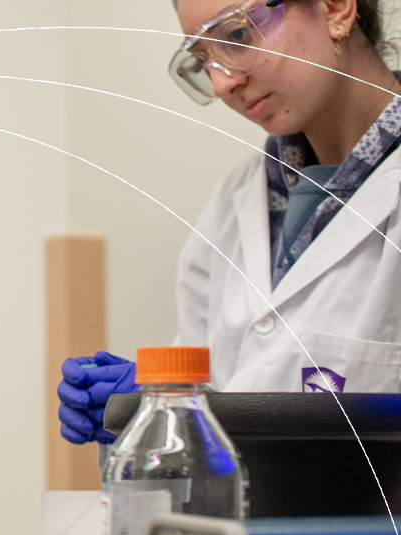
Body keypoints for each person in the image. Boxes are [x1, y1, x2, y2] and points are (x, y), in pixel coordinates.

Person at [58, 0, 401, 445]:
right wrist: (159, 409)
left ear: (335, 9)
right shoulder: (236, 202)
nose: (221, 84)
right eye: (202, 59)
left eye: (236, 37)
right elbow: (222, 396)